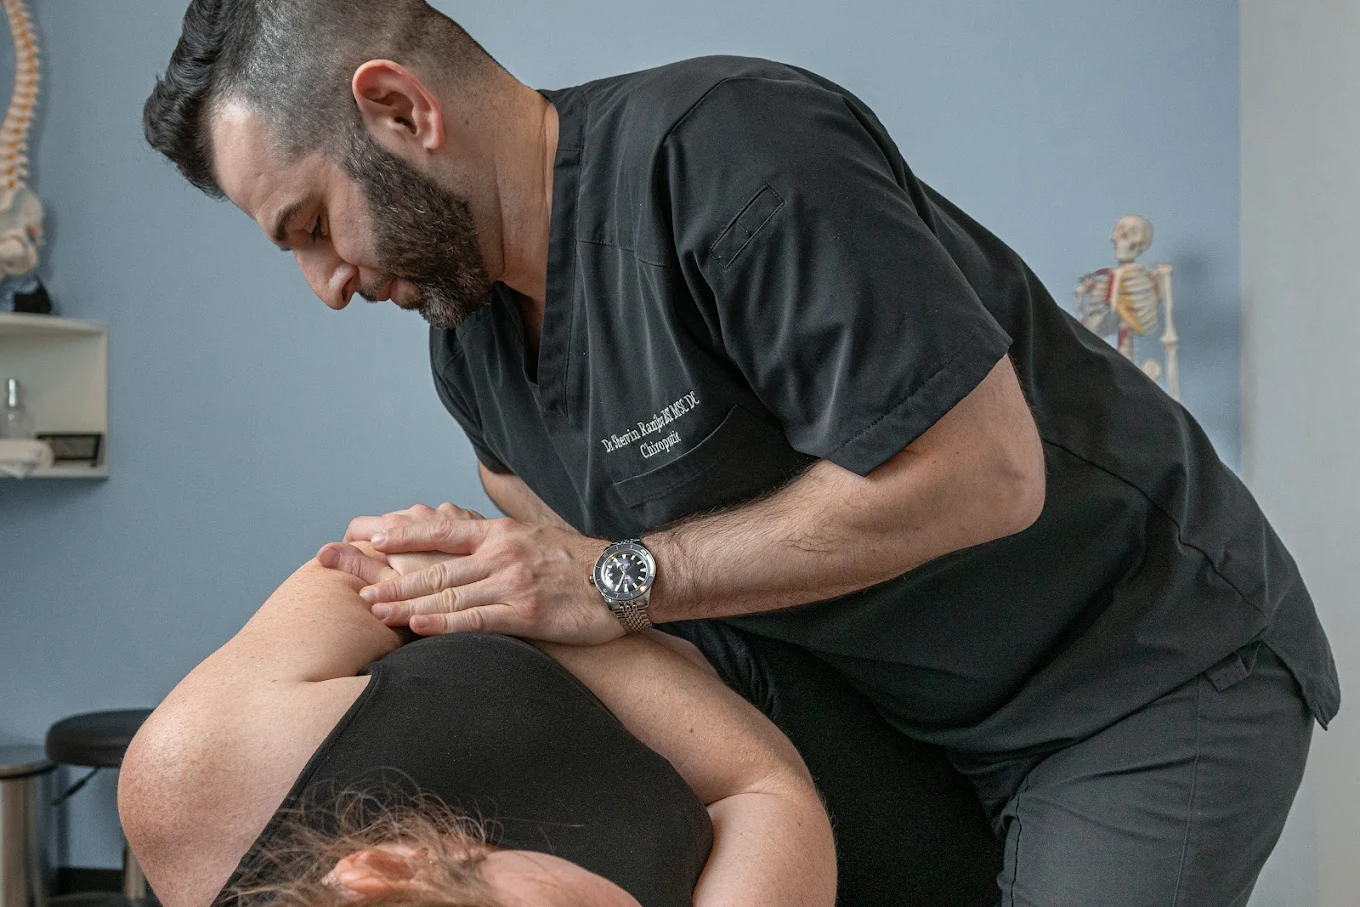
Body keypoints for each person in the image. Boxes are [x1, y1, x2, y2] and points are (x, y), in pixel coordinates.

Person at [143, 2, 1339, 904]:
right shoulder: (472, 346)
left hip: (1136, 677)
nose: (327, 286)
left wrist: (607, 574)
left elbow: (987, 477)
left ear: (402, 109)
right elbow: (574, 595)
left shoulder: (730, 149)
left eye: (311, 226)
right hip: (893, 715)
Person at [116, 544, 837, 907]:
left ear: (389, 867)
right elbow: (763, 783)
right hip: (808, 690)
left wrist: (597, 599)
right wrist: (608, 638)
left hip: (597, 538)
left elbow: (395, 567)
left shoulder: (196, 781)